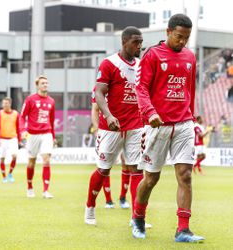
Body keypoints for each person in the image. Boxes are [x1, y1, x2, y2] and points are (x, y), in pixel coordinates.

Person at [132, 14, 205, 242]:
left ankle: (183, 229)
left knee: (185, 176)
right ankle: (138, 217)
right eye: (179, 36)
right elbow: (141, 88)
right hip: (158, 125)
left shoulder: (190, 57)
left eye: (186, 38)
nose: (182, 41)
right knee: (151, 179)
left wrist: (191, 117)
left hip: (183, 124)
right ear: (168, 32)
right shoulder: (152, 55)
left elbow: (190, 91)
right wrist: (150, 112)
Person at [85, 26, 146, 226]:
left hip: (136, 126)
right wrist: (109, 115)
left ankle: (137, 217)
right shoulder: (109, 63)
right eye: (135, 42)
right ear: (124, 42)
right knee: (104, 169)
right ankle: (90, 207)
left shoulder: (141, 65)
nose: (139, 46)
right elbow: (99, 93)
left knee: (137, 169)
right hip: (111, 127)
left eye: (141, 42)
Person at [91, 86, 131, 209]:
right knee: (105, 166)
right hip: (107, 132)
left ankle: (123, 198)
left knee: (128, 164)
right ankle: (108, 200)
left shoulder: (127, 82)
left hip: (128, 129)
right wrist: (96, 129)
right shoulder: (98, 88)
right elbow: (95, 109)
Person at [20, 75, 56, 199]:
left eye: (46, 83)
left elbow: (51, 120)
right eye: (43, 83)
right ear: (37, 85)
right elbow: (22, 116)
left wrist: (54, 136)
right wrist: (23, 130)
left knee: (46, 159)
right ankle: (30, 187)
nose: (45, 85)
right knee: (31, 161)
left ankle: (46, 191)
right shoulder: (30, 99)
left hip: (47, 133)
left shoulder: (51, 101)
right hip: (32, 135)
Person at [0, 97, 21, 183]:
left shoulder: (16, 114)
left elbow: (18, 127)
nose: (5, 105)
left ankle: (10, 173)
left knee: (14, 156)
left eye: (6, 103)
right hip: (2, 139)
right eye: (3, 103)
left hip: (13, 138)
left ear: (10, 104)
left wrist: (19, 139)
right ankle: (4, 177)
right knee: (2, 158)